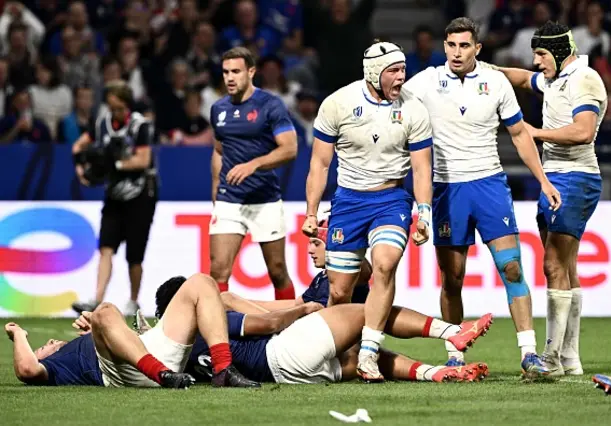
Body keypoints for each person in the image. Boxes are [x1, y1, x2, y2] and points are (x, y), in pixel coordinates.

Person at [403, 17, 561, 377]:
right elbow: (395, 107)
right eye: (451, 45)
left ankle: (528, 354)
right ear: (444, 46)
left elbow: (520, 134)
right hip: (446, 189)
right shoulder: (425, 82)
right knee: (452, 279)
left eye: (464, 45)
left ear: (478, 48)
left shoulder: (496, 81)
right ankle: (455, 352)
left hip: (489, 186)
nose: (457, 52)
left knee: (513, 268)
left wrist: (544, 181)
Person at [302, 40, 434, 382]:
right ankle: (332, 352)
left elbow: (421, 169)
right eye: (394, 70)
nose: (401, 77)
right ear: (374, 74)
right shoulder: (338, 104)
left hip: (392, 199)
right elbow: (319, 163)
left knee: (385, 265)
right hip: (348, 203)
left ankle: (369, 353)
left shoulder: (414, 109)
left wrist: (424, 213)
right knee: (339, 290)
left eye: (403, 69)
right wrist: (311, 213)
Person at [488, 21, 607, 376]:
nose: (537, 62)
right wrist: (486, 69)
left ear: (557, 51)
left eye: (541, 54)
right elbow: (524, 78)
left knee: (554, 266)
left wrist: (532, 132)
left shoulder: (584, 79)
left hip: (575, 178)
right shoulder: (557, 79)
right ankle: (569, 357)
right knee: (565, 268)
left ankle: (551, 359)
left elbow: (584, 131)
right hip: (556, 178)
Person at [146, 276, 493, 385]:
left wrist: (235, 298)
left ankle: (436, 373)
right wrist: (303, 310)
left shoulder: (177, 352)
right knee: (368, 314)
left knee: (365, 357)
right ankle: (451, 333)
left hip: (292, 376)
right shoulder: (210, 324)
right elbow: (268, 323)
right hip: (283, 351)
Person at [5, 274, 260, 388]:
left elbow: (125, 342)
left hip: (151, 355)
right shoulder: (55, 369)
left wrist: (98, 332)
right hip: (122, 374)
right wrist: (18, 334)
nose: (48, 341)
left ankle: (223, 370)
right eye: (41, 349)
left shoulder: (78, 345)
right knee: (104, 310)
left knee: (202, 282)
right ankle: (161, 374)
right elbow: (27, 368)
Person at [209, 46, 298, 300]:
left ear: (251, 72)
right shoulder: (219, 109)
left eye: (235, 71)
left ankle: (289, 328)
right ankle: (219, 332)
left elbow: (290, 149)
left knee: (277, 271)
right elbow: (218, 150)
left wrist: (253, 165)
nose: (229, 77)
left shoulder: (270, 105)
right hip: (229, 199)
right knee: (218, 271)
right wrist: (216, 186)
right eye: (225, 72)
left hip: (264, 199)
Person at [71, 81, 157, 316]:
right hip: (115, 194)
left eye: (119, 108)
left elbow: (143, 160)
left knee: (134, 254)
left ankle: (133, 300)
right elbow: (78, 146)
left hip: (141, 194)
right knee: (106, 247)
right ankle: (96, 299)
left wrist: (114, 164)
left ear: (127, 105)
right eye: (112, 108)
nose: (116, 112)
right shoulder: (101, 124)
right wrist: (81, 169)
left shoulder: (140, 126)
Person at [222, 218, 371, 313]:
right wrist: (244, 303)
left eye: (316, 243)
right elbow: (295, 305)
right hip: (309, 335)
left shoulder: (351, 275)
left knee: (229, 303)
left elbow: (366, 270)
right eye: (310, 244)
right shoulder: (322, 278)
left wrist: (346, 238)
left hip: (328, 344)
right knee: (229, 300)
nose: (309, 250)